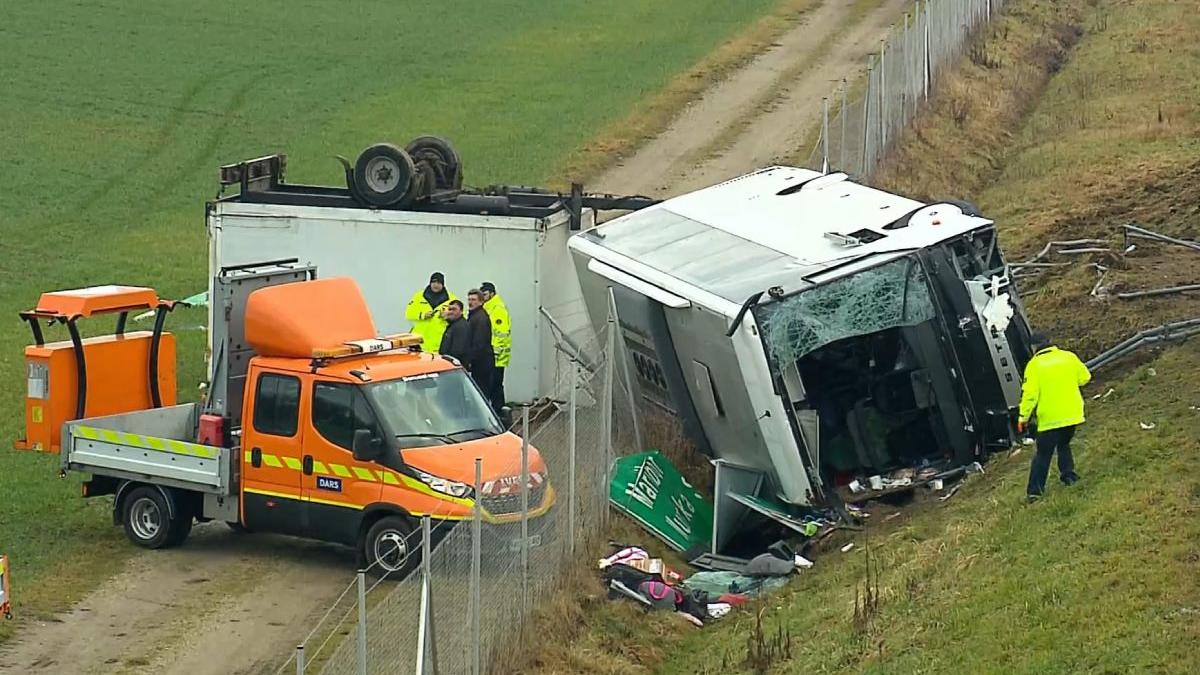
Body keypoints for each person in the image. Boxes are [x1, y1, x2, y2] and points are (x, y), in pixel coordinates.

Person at [1018, 331, 1092, 503]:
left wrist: (1023, 418)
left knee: (1043, 454)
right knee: (1064, 443)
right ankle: (1069, 476)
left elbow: (1030, 395)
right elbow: (1085, 378)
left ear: (1033, 348)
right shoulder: (1068, 357)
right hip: (1072, 414)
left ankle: (1034, 492)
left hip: (1050, 418)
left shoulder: (1034, 365)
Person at [406, 272, 457, 351]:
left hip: (438, 342)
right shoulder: (419, 296)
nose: (436, 285)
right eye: (434, 282)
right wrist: (422, 315)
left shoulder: (451, 299)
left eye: (439, 282)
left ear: (443, 284)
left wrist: (448, 317)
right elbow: (408, 313)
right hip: (419, 341)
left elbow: (460, 317)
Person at [479, 281, 511, 409]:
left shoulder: (497, 308)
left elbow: (501, 333)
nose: (483, 296)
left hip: (497, 356)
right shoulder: (489, 307)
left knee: (496, 386)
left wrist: (495, 351)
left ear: (492, 293)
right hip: (492, 354)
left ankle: (500, 412)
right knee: (491, 385)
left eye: (485, 294)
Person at [466, 289, 496, 394]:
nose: (470, 302)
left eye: (474, 299)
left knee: (482, 390)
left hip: (482, 361)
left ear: (481, 302)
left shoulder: (480, 318)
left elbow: (479, 342)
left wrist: (470, 359)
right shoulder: (474, 316)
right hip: (480, 361)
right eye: (469, 299)